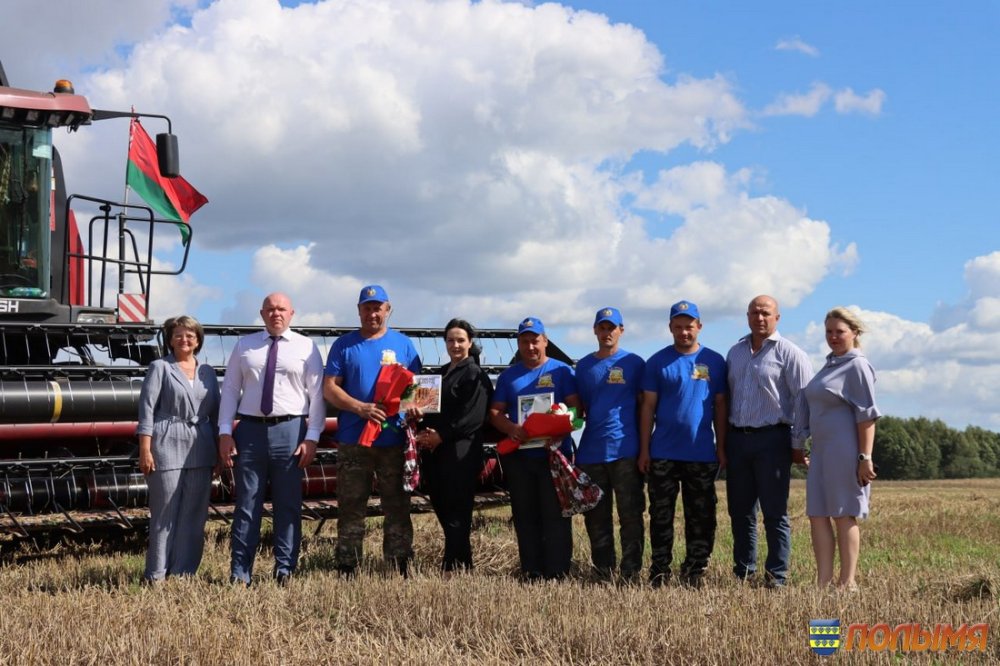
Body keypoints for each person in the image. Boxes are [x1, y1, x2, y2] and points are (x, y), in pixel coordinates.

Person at [217, 293, 325, 586]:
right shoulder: (244, 345)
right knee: (246, 504)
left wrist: (312, 437)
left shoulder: (306, 347)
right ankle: (240, 573)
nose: (276, 313)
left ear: (292, 313)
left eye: (281, 309)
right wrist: (225, 432)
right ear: (262, 313)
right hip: (250, 431)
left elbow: (317, 395)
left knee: (288, 504)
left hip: (290, 431)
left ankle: (285, 569)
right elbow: (230, 390)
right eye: (271, 309)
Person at [323, 285, 422, 576]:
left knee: (398, 505)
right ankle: (348, 566)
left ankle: (399, 564)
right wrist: (359, 408)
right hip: (354, 440)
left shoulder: (404, 345)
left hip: (394, 439)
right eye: (367, 308)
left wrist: (415, 408)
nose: (372, 313)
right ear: (359, 311)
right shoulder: (344, 345)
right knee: (351, 505)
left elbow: (417, 388)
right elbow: (329, 388)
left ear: (388, 310)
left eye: (377, 308)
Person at [726, 294, 813, 588]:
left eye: (765, 313)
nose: (760, 318)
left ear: (777, 317)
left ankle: (777, 575)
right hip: (738, 439)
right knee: (740, 512)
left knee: (775, 512)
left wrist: (798, 443)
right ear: (747, 317)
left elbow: (803, 401)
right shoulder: (735, 353)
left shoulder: (791, 353)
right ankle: (744, 572)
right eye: (754, 313)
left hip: (773, 439)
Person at [638, 301, 727, 588]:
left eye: (689, 326)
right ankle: (659, 571)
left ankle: (695, 571)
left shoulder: (715, 361)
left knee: (701, 516)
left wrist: (721, 447)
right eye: (678, 327)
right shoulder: (657, 362)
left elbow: (721, 406)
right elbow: (647, 408)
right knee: (660, 516)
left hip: (701, 453)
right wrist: (644, 449)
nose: (684, 332)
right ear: (670, 328)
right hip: (663, 453)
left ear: (699, 326)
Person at [794, 307, 880, 590]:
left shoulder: (857, 366)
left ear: (854, 332)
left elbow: (867, 416)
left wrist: (864, 457)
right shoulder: (829, 365)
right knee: (818, 514)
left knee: (843, 513)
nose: (833, 336)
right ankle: (823, 582)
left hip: (845, 451)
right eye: (829, 331)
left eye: (839, 331)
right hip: (821, 452)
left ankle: (847, 582)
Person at [488, 317, 580, 581]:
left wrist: (560, 429)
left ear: (545, 341)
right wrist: (510, 428)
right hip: (520, 457)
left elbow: (577, 410)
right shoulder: (508, 376)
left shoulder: (563, 371)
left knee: (556, 516)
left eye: (535, 341)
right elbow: (495, 413)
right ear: (519, 344)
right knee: (525, 516)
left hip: (555, 456)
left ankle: (558, 572)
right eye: (525, 341)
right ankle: (531, 571)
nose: (530, 346)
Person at [137, 315, 219, 582]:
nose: (184, 340)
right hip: (166, 444)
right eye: (178, 335)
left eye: (190, 335)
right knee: (165, 514)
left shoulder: (208, 372)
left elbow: (216, 414)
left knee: (194, 514)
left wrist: (218, 450)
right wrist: (145, 449)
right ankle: (156, 575)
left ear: (198, 340)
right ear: (170, 340)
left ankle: (183, 573)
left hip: (201, 446)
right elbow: (147, 410)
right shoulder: (160, 367)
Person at [413, 319, 493, 572]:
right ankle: (462, 564)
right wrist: (416, 416)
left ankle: (452, 567)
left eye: (460, 340)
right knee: (442, 507)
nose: (455, 345)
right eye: (450, 340)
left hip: (460, 453)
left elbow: (473, 417)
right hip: (435, 453)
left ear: (470, 343)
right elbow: (424, 409)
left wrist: (441, 435)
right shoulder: (438, 374)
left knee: (457, 511)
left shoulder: (475, 375)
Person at [574, 307, 646, 581]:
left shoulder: (635, 363)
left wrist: (643, 446)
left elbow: (644, 406)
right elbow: (577, 409)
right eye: (602, 328)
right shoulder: (583, 367)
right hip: (591, 453)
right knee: (595, 518)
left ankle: (631, 572)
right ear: (595, 330)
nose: (607, 333)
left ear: (621, 331)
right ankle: (603, 571)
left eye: (612, 328)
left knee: (631, 515)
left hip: (625, 451)